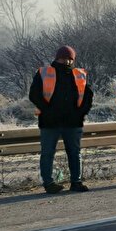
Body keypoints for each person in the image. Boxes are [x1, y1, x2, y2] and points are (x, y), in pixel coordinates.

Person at [29, 45, 94, 194]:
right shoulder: (44, 72)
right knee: (48, 153)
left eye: (70, 58)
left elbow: (88, 97)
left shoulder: (79, 74)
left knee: (74, 152)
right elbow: (34, 95)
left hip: (72, 122)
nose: (67, 61)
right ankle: (49, 183)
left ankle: (76, 182)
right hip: (49, 122)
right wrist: (48, 111)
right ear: (57, 58)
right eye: (64, 58)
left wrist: (80, 114)